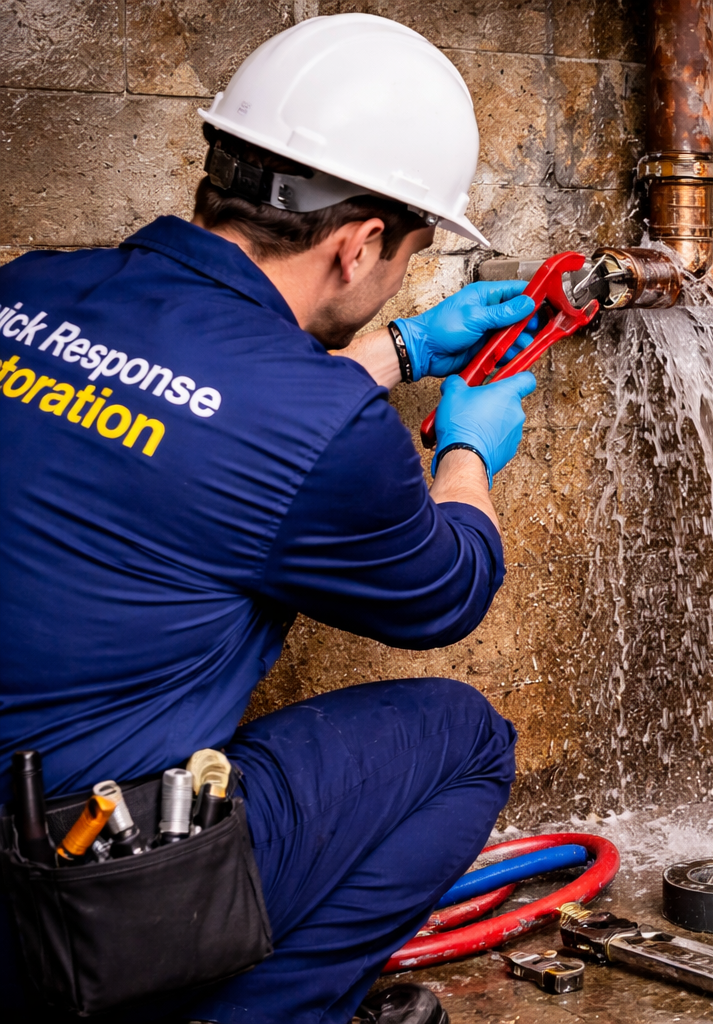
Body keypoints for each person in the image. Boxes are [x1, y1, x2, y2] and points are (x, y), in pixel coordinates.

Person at [0, 15, 541, 1024]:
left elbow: (206, 416)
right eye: (410, 254)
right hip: (61, 900)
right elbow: (449, 590)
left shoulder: (29, 289)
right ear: (362, 243)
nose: (399, 280)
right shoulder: (324, 425)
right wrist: (468, 445)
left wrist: (405, 349)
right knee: (466, 738)